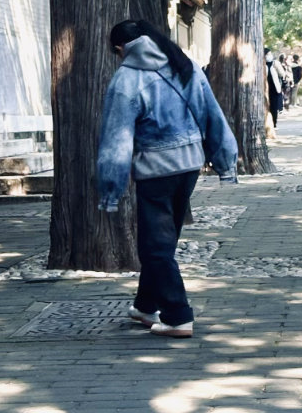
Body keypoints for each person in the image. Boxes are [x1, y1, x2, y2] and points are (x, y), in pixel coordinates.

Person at [97, 19, 238, 339]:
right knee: (161, 241)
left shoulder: (127, 79)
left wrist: (110, 187)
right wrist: (225, 161)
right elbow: (212, 114)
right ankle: (146, 305)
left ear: (120, 49)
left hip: (156, 170)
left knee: (155, 247)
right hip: (189, 167)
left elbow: (116, 140)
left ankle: (178, 315)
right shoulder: (183, 64)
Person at [265, 51, 285, 127]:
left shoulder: (275, 63)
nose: (269, 56)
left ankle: (274, 122)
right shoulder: (261, 63)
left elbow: (282, 74)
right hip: (265, 88)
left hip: (275, 88)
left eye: (270, 54)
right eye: (267, 54)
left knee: (274, 106)